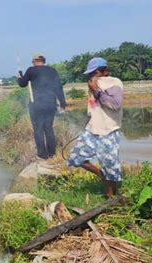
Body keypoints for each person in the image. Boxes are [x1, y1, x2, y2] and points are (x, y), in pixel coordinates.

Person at [67, 57, 123, 198]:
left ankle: (111, 196)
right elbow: (92, 108)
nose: (93, 76)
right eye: (91, 73)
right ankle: (101, 175)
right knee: (76, 158)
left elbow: (115, 105)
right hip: (92, 129)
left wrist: (97, 90)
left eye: (95, 72)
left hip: (108, 130)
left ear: (104, 71)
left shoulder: (114, 83)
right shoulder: (93, 84)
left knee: (109, 164)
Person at [17, 53, 66, 162]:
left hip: (37, 105)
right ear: (43, 60)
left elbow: (22, 84)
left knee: (38, 129)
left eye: (32, 61)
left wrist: (19, 77)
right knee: (49, 128)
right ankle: (52, 153)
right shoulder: (52, 70)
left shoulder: (31, 70)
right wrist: (63, 103)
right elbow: (58, 87)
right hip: (50, 104)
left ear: (35, 61)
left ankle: (42, 155)